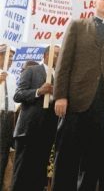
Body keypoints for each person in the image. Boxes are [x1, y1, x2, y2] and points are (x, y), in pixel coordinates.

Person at [52, 0, 104, 191]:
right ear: (95, 2)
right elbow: (64, 63)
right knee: (67, 157)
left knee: (93, 161)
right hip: (75, 101)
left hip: (102, 104)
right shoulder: (77, 25)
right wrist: (60, 96)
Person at [11, 45, 60, 191]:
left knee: (39, 174)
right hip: (28, 130)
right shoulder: (32, 71)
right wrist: (39, 91)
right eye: (56, 54)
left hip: (48, 130)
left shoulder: (60, 76)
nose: (59, 57)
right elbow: (18, 95)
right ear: (46, 55)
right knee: (22, 172)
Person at [0, 46, 15, 189]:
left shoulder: (13, 78)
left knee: (4, 154)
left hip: (9, 118)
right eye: (8, 57)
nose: (11, 60)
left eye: (12, 58)